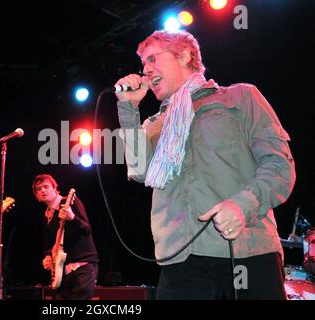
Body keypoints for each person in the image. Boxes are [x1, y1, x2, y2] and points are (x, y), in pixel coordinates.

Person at [114, 30, 296, 299]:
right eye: (143, 64)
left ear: (185, 55)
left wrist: (243, 205)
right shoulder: (153, 124)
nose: (145, 71)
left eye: (152, 59)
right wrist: (129, 110)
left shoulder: (240, 98)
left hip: (246, 250)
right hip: (180, 261)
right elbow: (140, 172)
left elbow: (279, 166)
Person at [32, 174, 99, 300]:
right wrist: (47, 256)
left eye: (46, 186)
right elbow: (48, 245)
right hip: (63, 271)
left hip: (82, 266)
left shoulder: (68, 202)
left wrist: (72, 217)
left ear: (55, 189)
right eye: (39, 189)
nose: (43, 190)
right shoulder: (46, 216)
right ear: (37, 196)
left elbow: (87, 229)